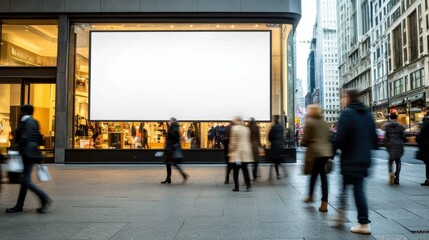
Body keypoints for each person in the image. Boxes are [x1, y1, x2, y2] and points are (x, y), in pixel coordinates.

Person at [333, 89, 378, 235]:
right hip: (364, 158)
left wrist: (332, 152)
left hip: (350, 158)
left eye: (343, 97)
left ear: (348, 98)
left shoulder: (346, 114)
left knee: (353, 188)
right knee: (350, 186)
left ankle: (363, 222)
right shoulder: (367, 114)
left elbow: (339, 138)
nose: (342, 100)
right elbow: (375, 140)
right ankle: (341, 216)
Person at [6, 104, 52, 214]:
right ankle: (19, 205)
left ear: (24, 112)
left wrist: (16, 148)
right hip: (31, 153)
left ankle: (44, 198)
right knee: (24, 181)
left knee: (25, 180)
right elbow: (39, 137)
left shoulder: (25, 122)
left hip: (25, 153)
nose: (20, 113)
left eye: (21, 111)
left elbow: (24, 137)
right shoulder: (34, 122)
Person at [301, 104, 332, 212]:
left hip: (315, 153)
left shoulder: (309, 122)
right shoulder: (325, 123)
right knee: (321, 177)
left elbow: (305, 139)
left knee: (314, 175)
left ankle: (311, 197)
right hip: (325, 153)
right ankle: (324, 203)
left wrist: (303, 142)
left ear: (311, 112)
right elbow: (329, 137)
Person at [161, 117, 189, 184]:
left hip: (171, 149)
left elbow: (173, 137)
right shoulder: (174, 127)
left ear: (172, 121)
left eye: (170, 120)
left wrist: (168, 137)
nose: (169, 121)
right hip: (170, 148)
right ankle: (168, 178)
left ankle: (183, 175)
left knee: (172, 163)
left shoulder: (173, 128)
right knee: (169, 163)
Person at [228, 117, 253, 191]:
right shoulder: (246, 129)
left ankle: (236, 186)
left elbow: (233, 142)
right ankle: (248, 185)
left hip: (237, 152)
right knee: (245, 169)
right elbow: (248, 140)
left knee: (236, 170)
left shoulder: (234, 128)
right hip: (246, 151)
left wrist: (231, 150)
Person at [384, 112, 406, 185]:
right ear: (396, 118)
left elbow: (386, 137)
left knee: (390, 161)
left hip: (390, 144)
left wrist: (386, 144)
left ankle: (391, 173)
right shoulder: (400, 126)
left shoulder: (387, 126)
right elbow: (403, 137)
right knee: (398, 161)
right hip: (399, 145)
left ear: (390, 118)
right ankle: (397, 178)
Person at [268, 115, 284, 179]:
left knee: (274, 161)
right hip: (280, 146)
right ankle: (280, 174)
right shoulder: (281, 127)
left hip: (274, 146)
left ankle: (277, 174)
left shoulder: (273, 127)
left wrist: (272, 142)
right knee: (279, 160)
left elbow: (269, 137)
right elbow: (282, 136)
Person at [417, 108, 429, 186]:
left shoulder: (426, 122)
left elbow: (421, 135)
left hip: (427, 146)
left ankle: (428, 179)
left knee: (428, 163)